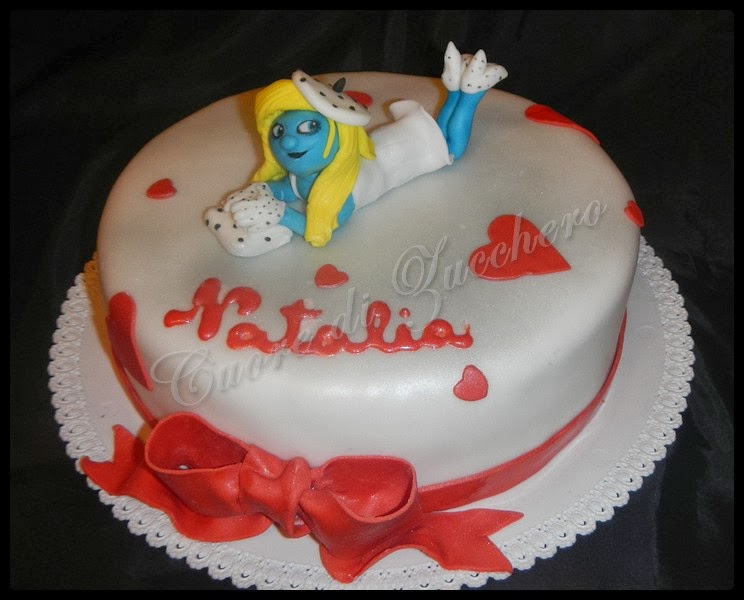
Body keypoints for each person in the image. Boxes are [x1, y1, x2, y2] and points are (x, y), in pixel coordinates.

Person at [206, 42, 507, 257]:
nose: (288, 142)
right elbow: (284, 188)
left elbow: (318, 232)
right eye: (279, 131)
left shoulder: (342, 192)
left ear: (339, 134)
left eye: (309, 128)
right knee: (439, 133)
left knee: (450, 147)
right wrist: (256, 192)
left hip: (403, 155)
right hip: (386, 145)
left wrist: (280, 214)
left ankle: (470, 95)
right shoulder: (304, 178)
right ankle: (455, 89)